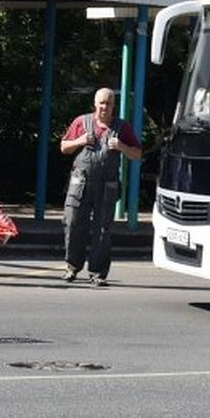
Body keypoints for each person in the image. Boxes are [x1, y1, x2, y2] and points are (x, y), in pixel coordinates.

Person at [59, 88, 142, 286]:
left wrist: (121, 146)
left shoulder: (122, 127)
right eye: (101, 103)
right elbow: (63, 147)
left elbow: (137, 153)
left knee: (102, 230)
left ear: (114, 106)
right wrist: (79, 141)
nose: (104, 107)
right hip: (80, 183)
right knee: (72, 223)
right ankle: (72, 267)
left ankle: (97, 273)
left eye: (109, 103)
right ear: (95, 104)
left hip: (107, 185)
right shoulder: (81, 122)